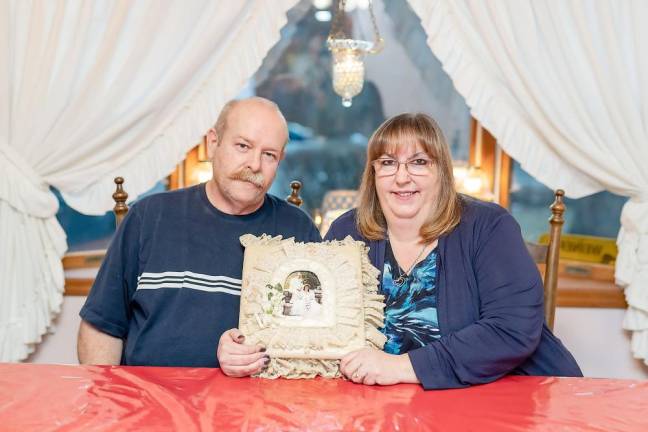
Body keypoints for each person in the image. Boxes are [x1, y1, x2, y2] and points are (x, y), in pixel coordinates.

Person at [325, 113, 582, 389]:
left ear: (442, 172)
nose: (402, 177)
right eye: (388, 163)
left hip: (508, 398)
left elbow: (511, 329)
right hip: (388, 408)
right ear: (373, 173)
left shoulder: (489, 227)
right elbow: (319, 321)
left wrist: (401, 367)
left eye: (419, 162)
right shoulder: (346, 232)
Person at [78, 97, 321, 377]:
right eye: (243, 146)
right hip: (151, 405)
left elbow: (313, 344)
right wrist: (111, 401)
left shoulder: (297, 232)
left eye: (269, 155)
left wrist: (260, 358)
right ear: (213, 143)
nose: (255, 164)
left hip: (253, 409)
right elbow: (102, 326)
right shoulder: (149, 217)